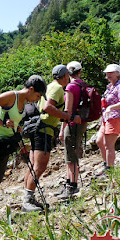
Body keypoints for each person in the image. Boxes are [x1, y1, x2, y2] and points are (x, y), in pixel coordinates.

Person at [0, 75, 47, 230]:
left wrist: (16, 127)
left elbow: (12, 119)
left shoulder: (24, 102)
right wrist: (1, 122)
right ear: (30, 89)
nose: (37, 99)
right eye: (37, 95)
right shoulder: (12, 96)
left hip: (5, 143)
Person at [23, 65, 81, 212]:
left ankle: (29, 198)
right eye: (68, 75)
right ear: (65, 76)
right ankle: (27, 201)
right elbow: (48, 107)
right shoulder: (58, 88)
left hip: (38, 127)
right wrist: (69, 117)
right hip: (44, 130)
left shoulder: (49, 86)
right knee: (40, 166)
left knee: (34, 166)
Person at [57, 61, 86, 199]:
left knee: (70, 155)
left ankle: (72, 186)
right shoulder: (83, 85)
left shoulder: (70, 87)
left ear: (68, 74)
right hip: (81, 123)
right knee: (72, 153)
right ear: (80, 72)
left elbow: (67, 111)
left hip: (72, 124)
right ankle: (69, 183)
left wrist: (62, 129)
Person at [95, 64, 120, 177]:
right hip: (106, 118)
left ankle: (109, 170)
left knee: (109, 145)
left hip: (115, 118)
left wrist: (110, 107)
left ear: (117, 73)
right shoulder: (110, 86)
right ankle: (106, 166)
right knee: (99, 141)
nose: (108, 75)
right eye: (107, 73)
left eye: (111, 73)